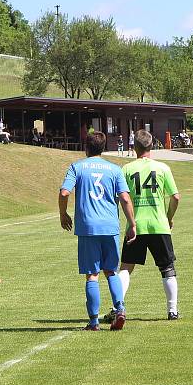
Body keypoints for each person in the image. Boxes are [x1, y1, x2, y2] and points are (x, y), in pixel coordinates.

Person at [59, 131, 136, 331]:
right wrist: (132, 223)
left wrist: (63, 214)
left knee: (92, 274)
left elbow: (64, 192)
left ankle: (93, 322)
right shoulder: (114, 169)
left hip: (87, 227)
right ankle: (120, 309)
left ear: (86, 147)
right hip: (110, 226)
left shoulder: (77, 167)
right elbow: (125, 198)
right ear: (102, 148)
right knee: (111, 271)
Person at [102, 130, 180, 322]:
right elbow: (175, 197)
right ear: (151, 145)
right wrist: (169, 216)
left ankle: (117, 308)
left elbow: (120, 197)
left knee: (126, 268)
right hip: (159, 225)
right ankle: (172, 310)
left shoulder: (126, 169)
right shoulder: (163, 168)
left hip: (134, 225)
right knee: (167, 267)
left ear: (134, 147)